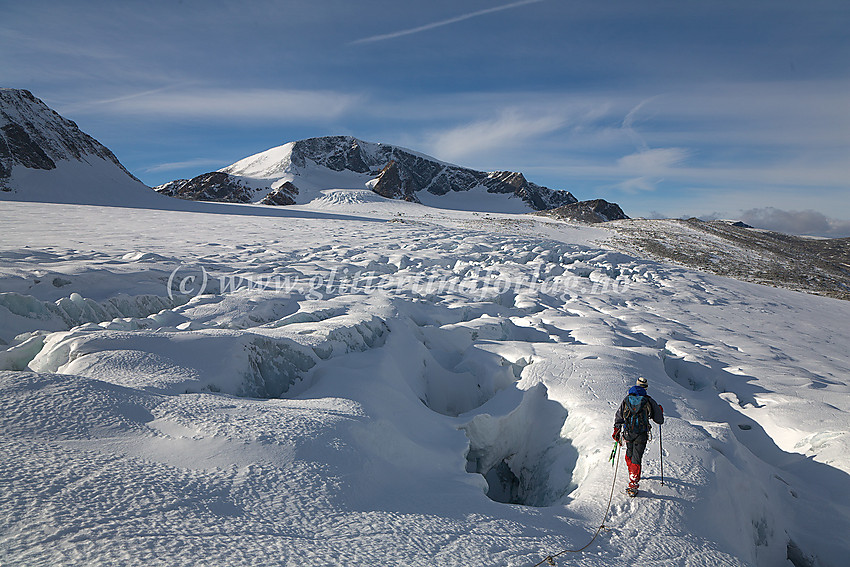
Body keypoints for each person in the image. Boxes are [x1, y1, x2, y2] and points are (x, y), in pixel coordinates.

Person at [613, 377, 664, 496]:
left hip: (627, 432)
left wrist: (616, 430)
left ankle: (632, 473)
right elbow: (659, 420)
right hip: (641, 434)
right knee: (637, 457)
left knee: (629, 455)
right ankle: (633, 483)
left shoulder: (627, 399)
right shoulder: (648, 400)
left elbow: (619, 416)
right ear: (645, 388)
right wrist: (659, 411)